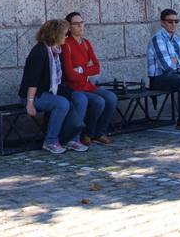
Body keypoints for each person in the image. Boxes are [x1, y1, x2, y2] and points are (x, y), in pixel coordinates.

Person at [20, 20, 83, 154]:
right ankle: (50, 141)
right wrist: (30, 103)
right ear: (56, 34)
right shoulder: (40, 51)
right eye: (65, 34)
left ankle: (71, 138)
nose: (67, 37)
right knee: (62, 104)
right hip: (33, 95)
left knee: (78, 99)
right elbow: (33, 80)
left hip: (48, 92)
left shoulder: (55, 51)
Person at [61, 12, 119, 147]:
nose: (80, 26)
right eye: (76, 23)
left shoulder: (86, 43)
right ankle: (87, 134)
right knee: (98, 102)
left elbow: (97, 67)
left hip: (88, 85)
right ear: (69, 27)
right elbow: (70, 74)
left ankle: (99, 133)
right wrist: (86, 69)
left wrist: (81, 69)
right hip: (74, 88)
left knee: (111, 97)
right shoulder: (66, 44)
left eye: (82, 22)